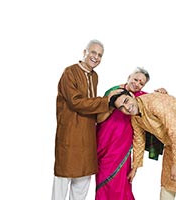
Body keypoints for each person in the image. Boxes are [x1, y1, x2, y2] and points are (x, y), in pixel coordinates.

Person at [109, 89, 176, 200]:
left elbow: (175, 130)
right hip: (172, 144)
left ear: (131, 95)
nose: (127, 108)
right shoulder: (135, 117)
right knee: (167, 183)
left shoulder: (154, 103)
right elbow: (139, 140)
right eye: (122, 108)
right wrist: (135, 167)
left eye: (126, 101)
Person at [52, 39, 116, 200]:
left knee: (83, 181)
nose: (96, 57)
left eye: (100, 55)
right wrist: (106, 101)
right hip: (70, 134)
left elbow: (92, 105)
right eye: (93, 52)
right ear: (84, 52)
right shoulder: (70, 72)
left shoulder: (94, 76)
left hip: (87, 136)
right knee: (62, 179)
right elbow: (76, 102)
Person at [95, 67, 166, 200]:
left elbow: (156, 106)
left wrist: (162, 94)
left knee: (122, 183)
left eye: (141, 83)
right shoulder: (113, 92)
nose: (137, 84)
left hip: (123, 148)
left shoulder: (142, 98)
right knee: (103, 181)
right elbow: (99, 117)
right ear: (129, 77)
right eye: (135, 79)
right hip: (104, 143)